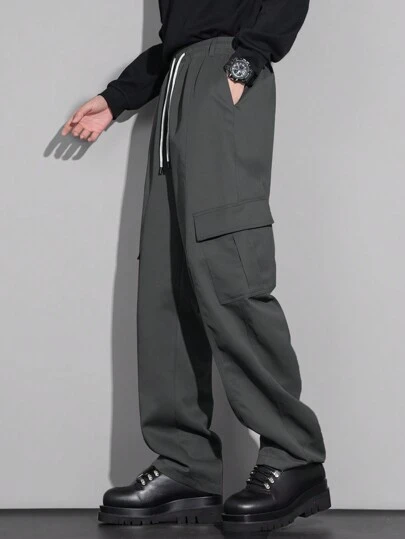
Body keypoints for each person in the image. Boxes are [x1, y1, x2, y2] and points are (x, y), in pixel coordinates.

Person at [62, 0, 330, 533]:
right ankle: (186, 465)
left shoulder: (237, 63)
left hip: (225, 71)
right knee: (166, 282)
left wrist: (244, 64)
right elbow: (178, 36)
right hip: (177, 82)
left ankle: (294, 455)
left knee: (229, 266)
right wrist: (117, 98)